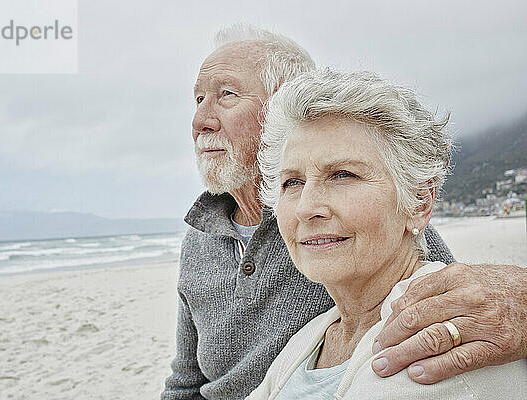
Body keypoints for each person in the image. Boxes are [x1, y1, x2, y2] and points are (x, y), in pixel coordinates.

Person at [161, 24, 527, 400]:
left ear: (280, 103)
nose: (199, 121)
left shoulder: (365, 225)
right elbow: (186, 382)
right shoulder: (202, 239)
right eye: (198, 99)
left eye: (226, 95)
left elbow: (450, 290)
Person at [246, 68, 527, 399]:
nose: (306, 208)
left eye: (342, 175)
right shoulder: (313, 338)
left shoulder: (436, 337)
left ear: (419, 203)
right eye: (291, 182)